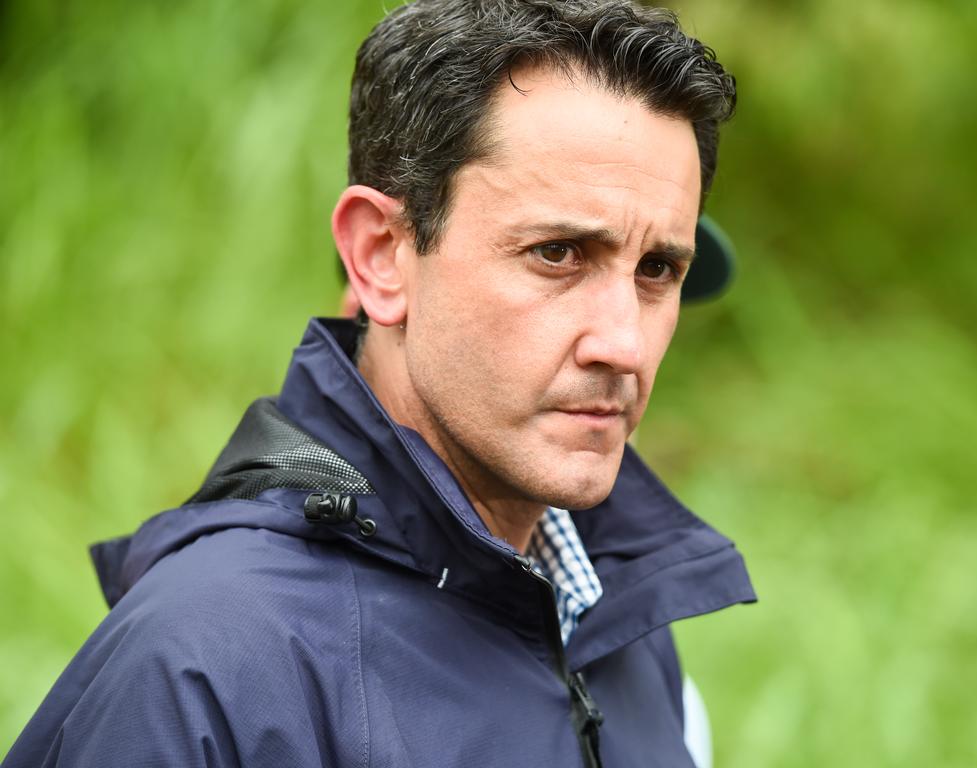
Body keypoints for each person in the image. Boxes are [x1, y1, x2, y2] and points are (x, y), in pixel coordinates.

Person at [4, 1, 755, 766]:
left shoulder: (620, 618)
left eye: (659, 269)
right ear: (381, 256)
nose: (625, 344)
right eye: (557, 254)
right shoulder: (206, 668)